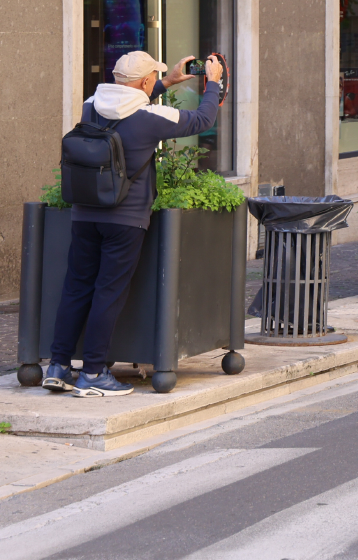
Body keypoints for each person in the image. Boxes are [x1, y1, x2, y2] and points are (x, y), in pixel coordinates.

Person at [44, 52, 223, 397]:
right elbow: (202, 119)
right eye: (151, 79)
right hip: (126, 219)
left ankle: (58, 366)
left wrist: (166, 82)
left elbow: (122, 106)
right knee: (108, 292)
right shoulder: (152, 118)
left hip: (84, 213)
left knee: (76, 287)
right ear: (143, 83)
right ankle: (94, 374)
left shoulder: (90, 105)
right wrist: (212, 82)